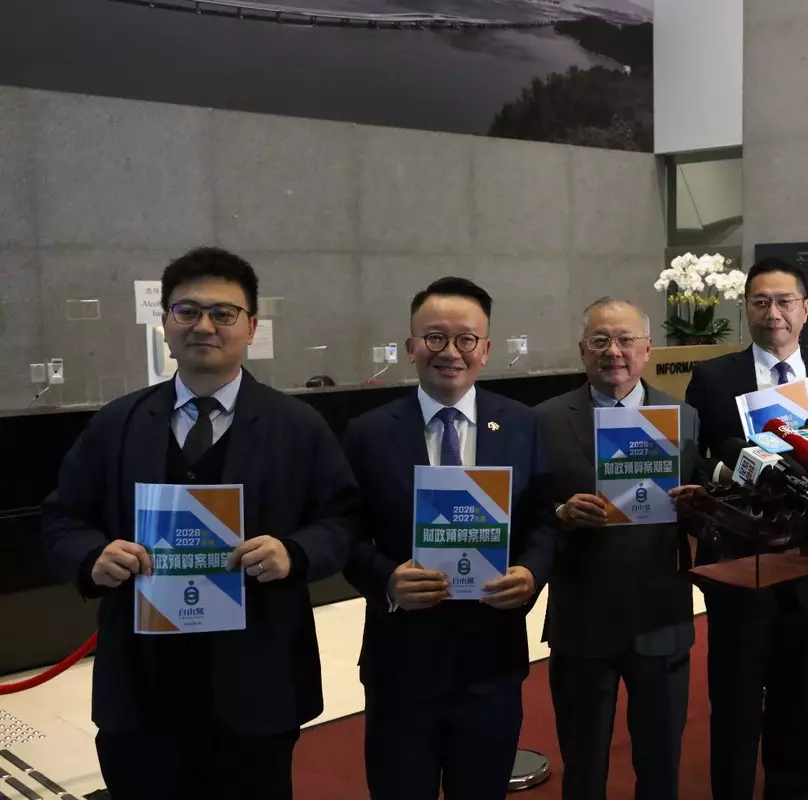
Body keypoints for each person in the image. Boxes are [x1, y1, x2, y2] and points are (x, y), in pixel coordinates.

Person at [41, 247, 358, 800]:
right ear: (165, 323)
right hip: (141, 684)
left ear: (251, 327)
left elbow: (342, 518)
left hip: (256, 681)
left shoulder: (298, 426)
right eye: (186, 311)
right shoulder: (116, 424)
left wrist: (294, 553)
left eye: (223, 313)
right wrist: (92, 557)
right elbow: (63, 517)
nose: (204, 326)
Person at [343, 277, 555, 800]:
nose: (450, 352)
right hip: (401, 663)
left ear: (486, 348)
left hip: (492, 660)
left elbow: (544, 521)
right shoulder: (368, 432)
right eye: (435, 337)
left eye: (466, 339)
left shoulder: (523, 424)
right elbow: (343, 532)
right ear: (411, 346)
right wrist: (387, 580)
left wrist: (531, 572)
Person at [685, 257, 808, 800]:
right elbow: (692, 459)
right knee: (735, 699)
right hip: (740, 563)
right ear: (746, 309)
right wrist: (727, 472)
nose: (773, 312)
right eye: (760, 301)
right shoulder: (714, 377)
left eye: (784, 301)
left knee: (798, 698)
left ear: (805, 309)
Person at [537, 298, 706, 800]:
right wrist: (560, 512)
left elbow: (704, 506)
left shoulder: (684, 417)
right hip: (582, 617)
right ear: (582, 350)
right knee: (583, 765)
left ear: (647, 349)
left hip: (661, 613)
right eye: (601, 340)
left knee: (660, 763)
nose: (614, 351)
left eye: (626, 339)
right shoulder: (544, 420)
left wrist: (699, 505)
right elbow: (522, 508)